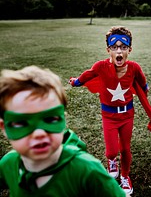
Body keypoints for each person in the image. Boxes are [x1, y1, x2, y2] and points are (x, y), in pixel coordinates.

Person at [0, 65, 128, 197]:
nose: (39, 133)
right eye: (21, 123)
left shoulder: (87, 170)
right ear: (4, 128)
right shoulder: (8, 164)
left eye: (50, 119)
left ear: (63, 120)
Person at [69, 26, 151, 195]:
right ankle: (112, 161)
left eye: (123, 47)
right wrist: (77, 81)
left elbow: (143, 82)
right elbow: (89, 74)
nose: (119, 51)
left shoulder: (134, 67)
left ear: (130, 49)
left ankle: (125, 177)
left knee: (125, 148)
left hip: (127, 115)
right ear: (108, 50)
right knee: (112, 151)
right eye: (114, 47)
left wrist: (145, 89)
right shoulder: (101, 66)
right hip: (108, 116)